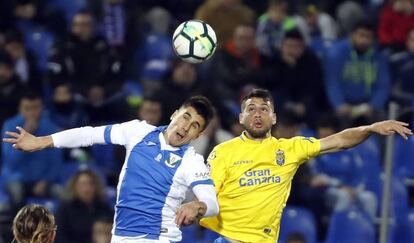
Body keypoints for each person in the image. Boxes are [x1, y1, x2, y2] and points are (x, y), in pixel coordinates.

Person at [199, 89, 412, 243]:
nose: (257, 114)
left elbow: (339, 141)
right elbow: (207, 194)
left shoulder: (291, 148)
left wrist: (371, 128)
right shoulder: (223, 151)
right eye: (251, 109)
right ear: (241, 117)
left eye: (264, 109)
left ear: (274, 118)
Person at [3, 95, 219, 243]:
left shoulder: (192, 161)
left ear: (197, 136)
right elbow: (89, 134)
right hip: (121, 236)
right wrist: (41, 141)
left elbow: (212, 204)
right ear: (174, 114)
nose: (185, 127)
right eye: (185, 117)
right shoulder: (137, 131)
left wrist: (197, 205)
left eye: (194, 126)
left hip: (158, 238)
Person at [55, 170, 113, 243]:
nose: (87, 188)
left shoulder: (104, 208)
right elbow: (60, 237)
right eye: (82, 184)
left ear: (96, 186)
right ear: (74, 187)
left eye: (90, 184)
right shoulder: (65, 209)